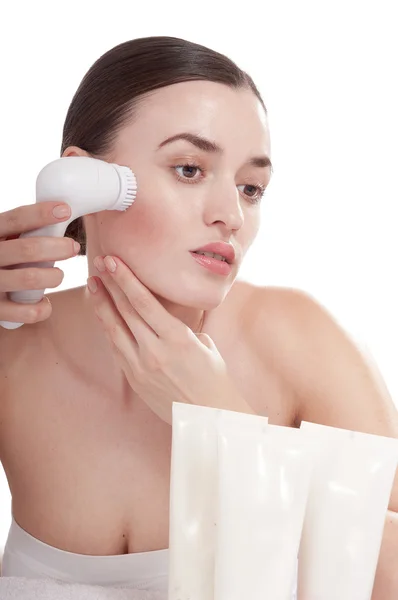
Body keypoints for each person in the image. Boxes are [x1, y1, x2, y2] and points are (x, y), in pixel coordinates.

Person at [0, 36, 397, 598]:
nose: (231, 214)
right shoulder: (14, 348)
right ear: (82, 182)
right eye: (189, 169)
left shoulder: (298, 341)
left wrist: (224, 424)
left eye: (250, 187)